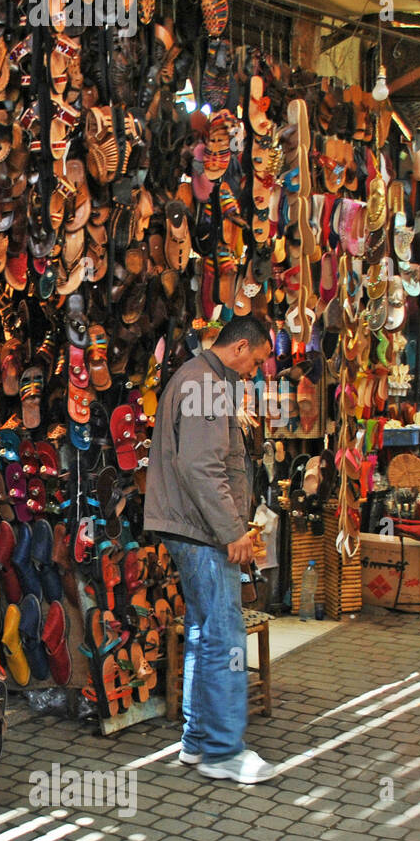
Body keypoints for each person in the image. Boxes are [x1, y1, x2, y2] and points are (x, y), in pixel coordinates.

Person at [144, 315, 277, 784]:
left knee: (205, 632)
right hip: (200, 530)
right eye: (256, 361)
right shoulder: (205, 385)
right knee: (224, 636)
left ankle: (198, 742)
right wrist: (231, 531)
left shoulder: (201, 379)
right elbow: (202, 467)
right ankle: (223, 750)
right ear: (240, 347)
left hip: (193, 527)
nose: (255, 372)